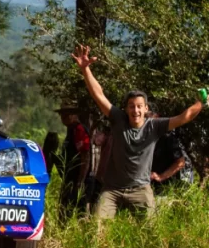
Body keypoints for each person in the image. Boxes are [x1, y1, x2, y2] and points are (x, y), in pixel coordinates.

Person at [73, 44, 206, 219]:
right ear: (126, 109)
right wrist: (85, 69)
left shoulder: (154, 126)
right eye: (131, 107)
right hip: (112, 189)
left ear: (145, 109)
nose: (135, 110)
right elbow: (98, 95)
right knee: (97, 229)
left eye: (139, 107)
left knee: (151, 231)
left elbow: (184, 117)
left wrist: (201, 103)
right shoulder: (118, 119)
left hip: (140, 189)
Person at [53, 101, 91, 220]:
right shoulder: (71, 130)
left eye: (68, 114)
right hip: (69, 179)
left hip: (76, 181)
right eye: (62, 114)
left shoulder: (78, 130)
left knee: (78, 212)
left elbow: (85, 156)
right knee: (64, 211)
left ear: (75, 115)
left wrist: (80, 181)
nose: (64, 117)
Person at [147, 102, 194, 196]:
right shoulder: (144, 137)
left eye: (148, 116)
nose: (145, 120)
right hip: (158, 182)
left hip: (180, 178)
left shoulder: (167, 137)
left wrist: (161, 177)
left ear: (157, 116)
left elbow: (180, 163)